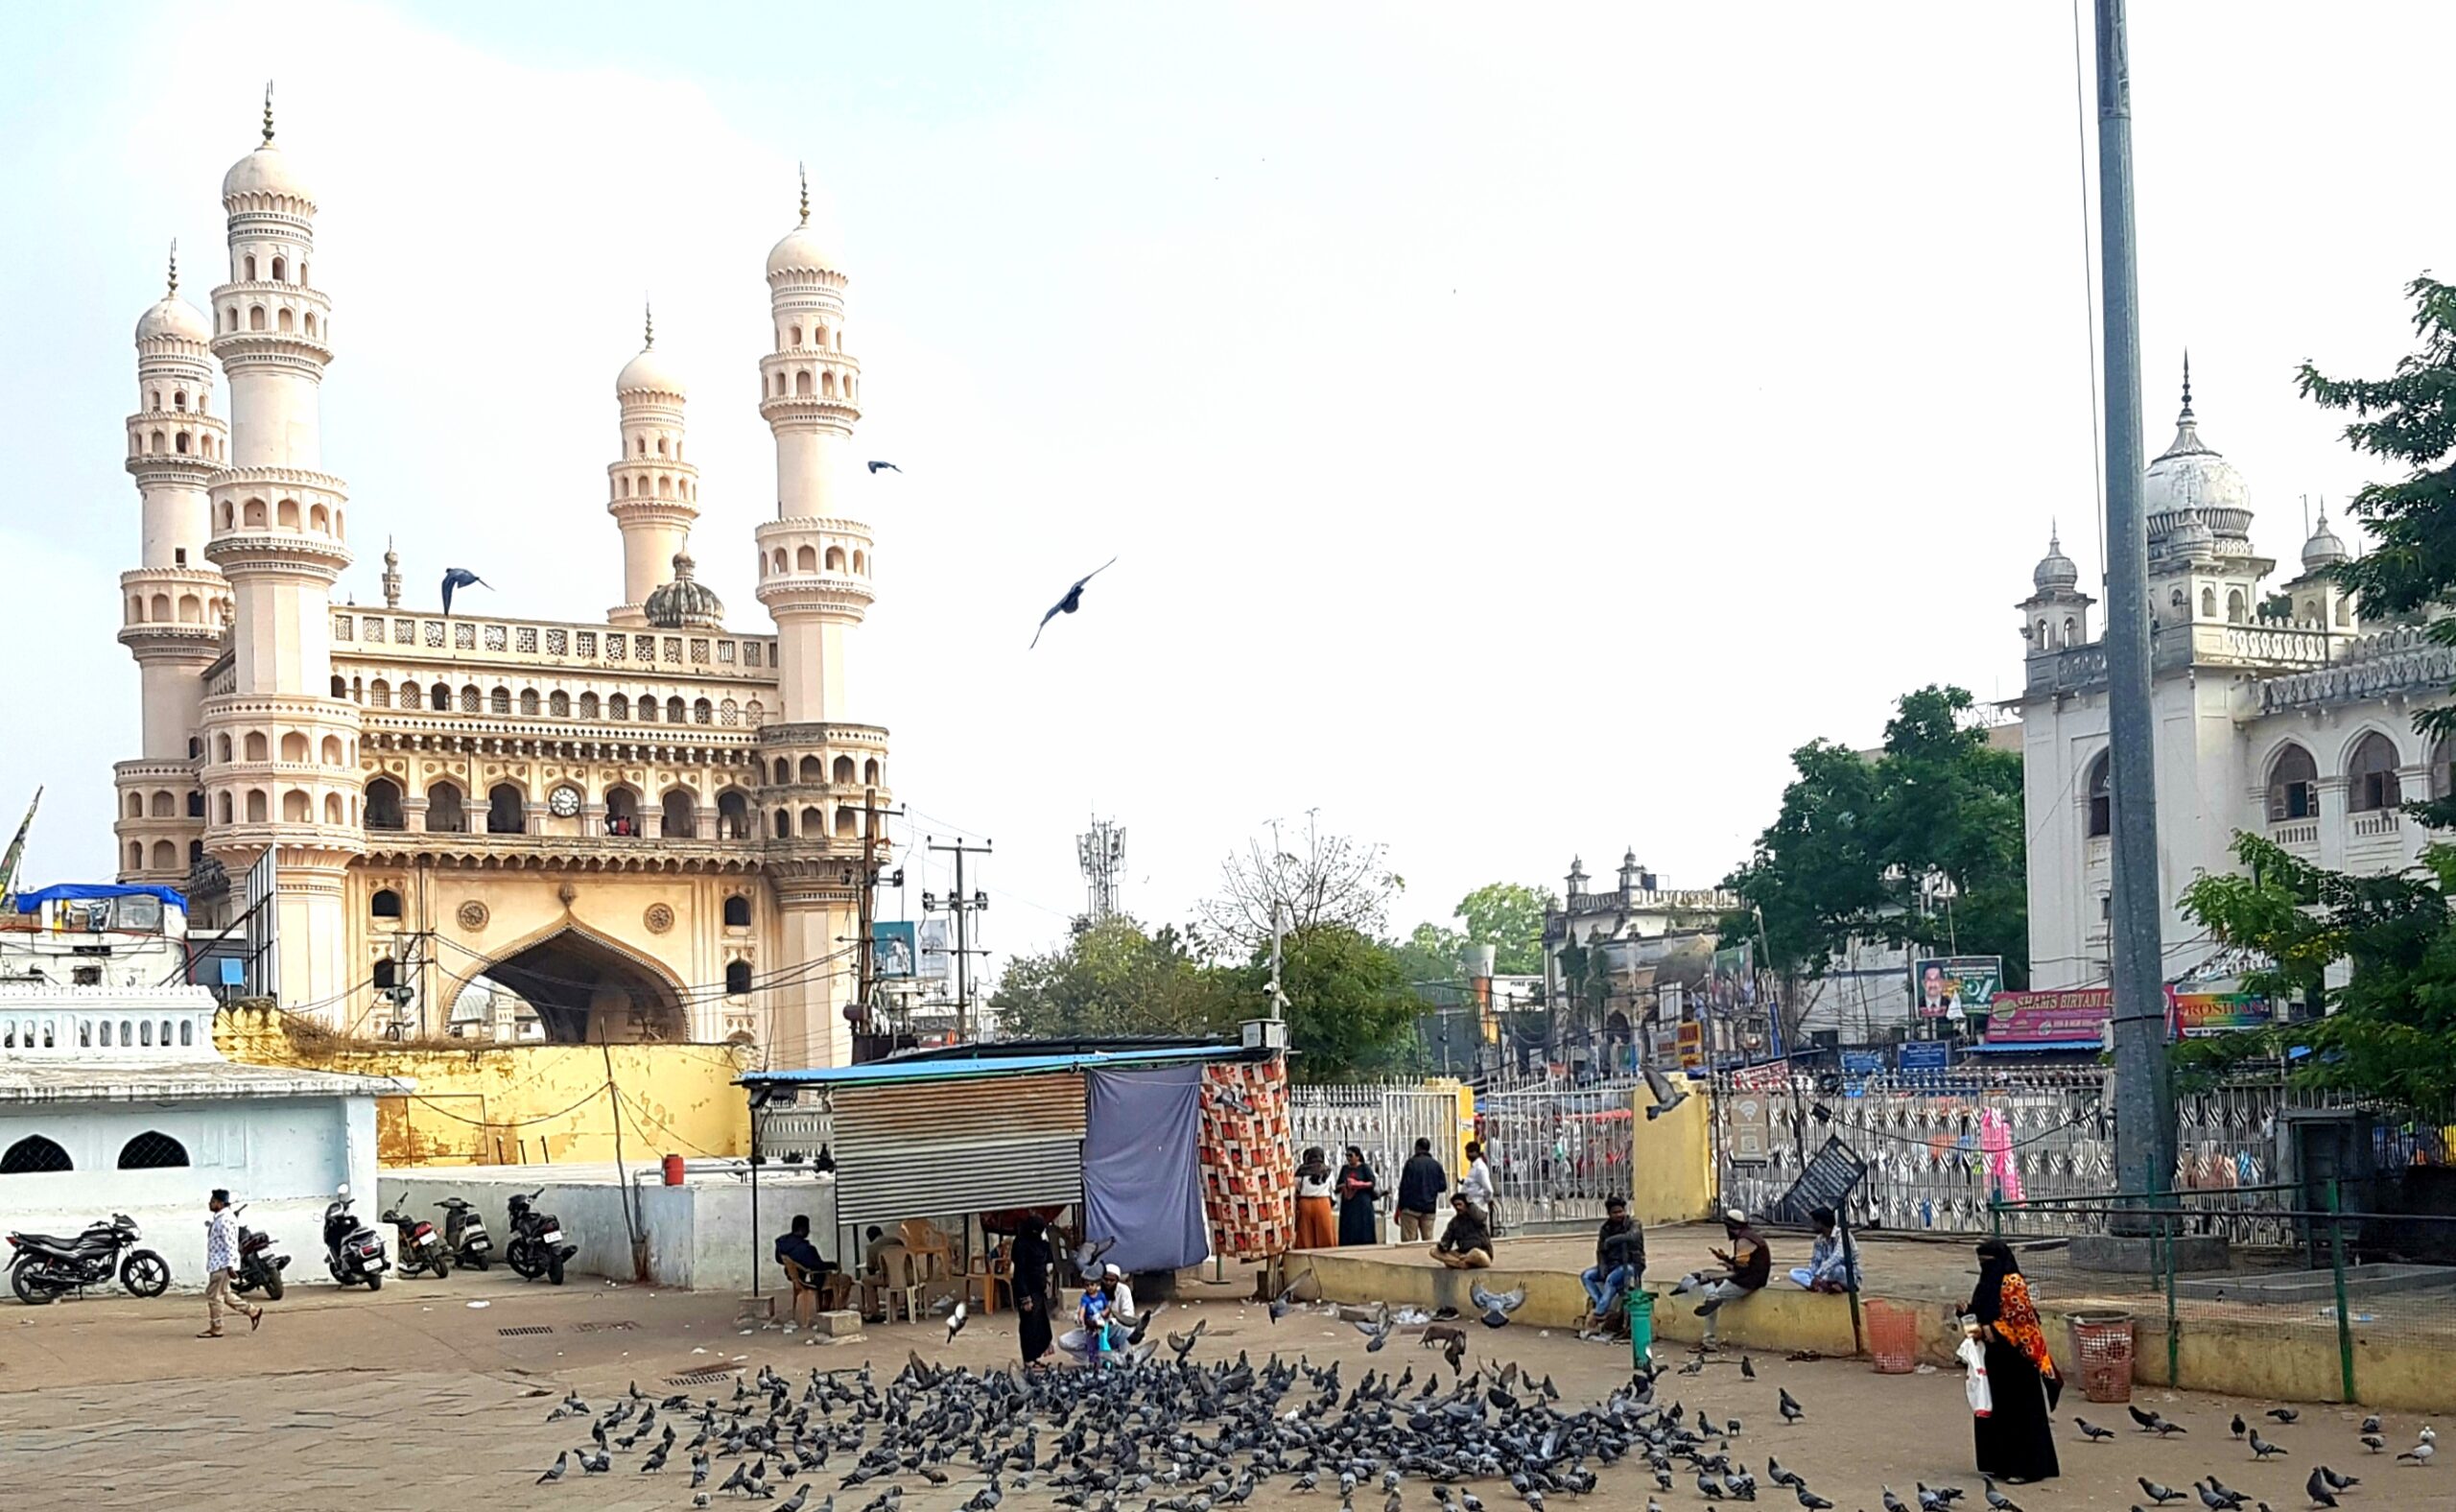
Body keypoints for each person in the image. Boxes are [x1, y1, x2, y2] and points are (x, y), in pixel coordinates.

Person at [1969, 1239, 2061, 1483]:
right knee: (1997, 1409)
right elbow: (1985, 1309)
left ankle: (2025, 1468)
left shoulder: (2013, 1283)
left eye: (1987, 1262)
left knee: (2018, 1412)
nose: (1984, 1267)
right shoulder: (1988, 1282)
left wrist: (1988, 1330)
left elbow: (2020, 1323)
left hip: (2017, 1358)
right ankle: (1999, 1463)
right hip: (1995, 1357)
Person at [1670, 1209, 1770, 1346]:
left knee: (1712, 1300)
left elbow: (1741, 1267)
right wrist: (1725, 1259)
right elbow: (1742, 1264)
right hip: (1750, 1277)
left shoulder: (1744, 1240)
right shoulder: (1749, 1236)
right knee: (1708, 1277)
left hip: (1748, 1282)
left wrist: (1729, 1265)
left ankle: (1708, 1341)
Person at [200, 1188, 262, 1338]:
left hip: (221, 1264)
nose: (210, 1204)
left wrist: (231, 1265)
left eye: (213, 1201)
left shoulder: (225, 1220)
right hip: (218, 1263)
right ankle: (251, 1310)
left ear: (220, 1204)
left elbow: (230, 1244)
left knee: (214, 1296)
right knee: (224, 1293)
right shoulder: (222, 1218)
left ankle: (217, 1326)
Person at [1580, 1195, 1644, 1322]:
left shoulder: (1633, 1224)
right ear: (1609, 1214)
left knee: (1611, 1280)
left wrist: (1611, 1240)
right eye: (1615, 1212)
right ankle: (1602, 1304)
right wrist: (1602, 1267)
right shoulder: (1606, 1228)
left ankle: (1599, 1312)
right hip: (1612, 1264)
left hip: (1631, 1264)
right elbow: (1601, 1251)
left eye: (1621, 1211)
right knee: (1586, 1276)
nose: (1619, 1215)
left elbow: (1632, 1237)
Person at [1010, 1221, 1056, 1367]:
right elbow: (1020, 1273)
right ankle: (1028, 1360)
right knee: (1029, 1326)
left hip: (1038, 1291)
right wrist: (1025, 1298)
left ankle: (1035, 1357)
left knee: (1039, 1324)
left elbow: (1048, 1258)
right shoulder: (1021, 1245)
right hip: (1027, 1292)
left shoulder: (1039, 1243)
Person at [1788, 1206, 1858, 1292]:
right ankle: (1823, 1286)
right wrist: (1814, 1276)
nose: (1812, 1225)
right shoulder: (1819, 1240)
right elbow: (1815, 1262)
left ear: (1821, 1222)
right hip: (1824, 1276)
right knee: (1793, 1273)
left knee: (1836, 1270)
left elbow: (1837, 1257)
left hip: (1846, 1276)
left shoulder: (1842, 1235)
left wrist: (1819, 1275)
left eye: (1814, 1222)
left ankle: (1826, 1286)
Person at [1395, 1138, 1448, 1242]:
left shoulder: (1411, 1163)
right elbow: (1443, 1186)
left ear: (1417, 1148)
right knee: (1428, 1240)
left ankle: (1411, 1258)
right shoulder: (1436, 1165)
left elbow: (1404, 1187)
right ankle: (1426, 1258)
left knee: (1409, 1242)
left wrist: (1400, 1207)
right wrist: (1431, 1189)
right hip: (1429, 1208)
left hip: (1410, 1208)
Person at [1431, 1193, 1493, 1269]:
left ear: (1466, 1204)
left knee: (1475, 1253)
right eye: (1455, 1205)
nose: (1458, 1207)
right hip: (1461, 1255)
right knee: (1434, 1251)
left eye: (1460, 1204)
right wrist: (1443, 1246)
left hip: (1480, 1254)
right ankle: (1461, 1263)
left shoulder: (1476, 1217)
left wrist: (1470, 1204)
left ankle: (1460, 1262)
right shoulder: (1454, 1223)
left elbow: (1480, 1218)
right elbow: (1446, 1241)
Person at [1292, 1146, 1337, 1250]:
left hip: (1305, 1203)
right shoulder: (1328, 1171)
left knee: (1305, 1231)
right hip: (1323, 1202)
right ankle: (1326, 1253)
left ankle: (1305, 1253)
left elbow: (1295, 1186)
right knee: (1325, 1230)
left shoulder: (1301, 1170)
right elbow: (1333, 1187)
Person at [1336, 1146, 1380, 1246]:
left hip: (1362, 1203)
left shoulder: (1364, 1168)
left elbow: (1372, 1183)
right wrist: (1345, 1185)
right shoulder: (1345, 1169)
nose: (1348, 1158)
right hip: (1349, 1203)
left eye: (1351, 1156)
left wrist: (1358, 1184)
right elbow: (1338, 1185)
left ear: (1358, 1156)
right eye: (1347, 1156)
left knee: (1364, 1227)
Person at [1460, 1139, 1497, 1233]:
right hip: (1470, 1205)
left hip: (1478, 1205)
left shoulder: (1480, 1168)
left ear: (1477, 1152)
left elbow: (1488, 1189)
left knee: (1477, 1233)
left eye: (1471, 1152)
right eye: (1467, 1152)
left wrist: (1487, 1200)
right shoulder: (1473, 1167)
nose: (1468, 1155)